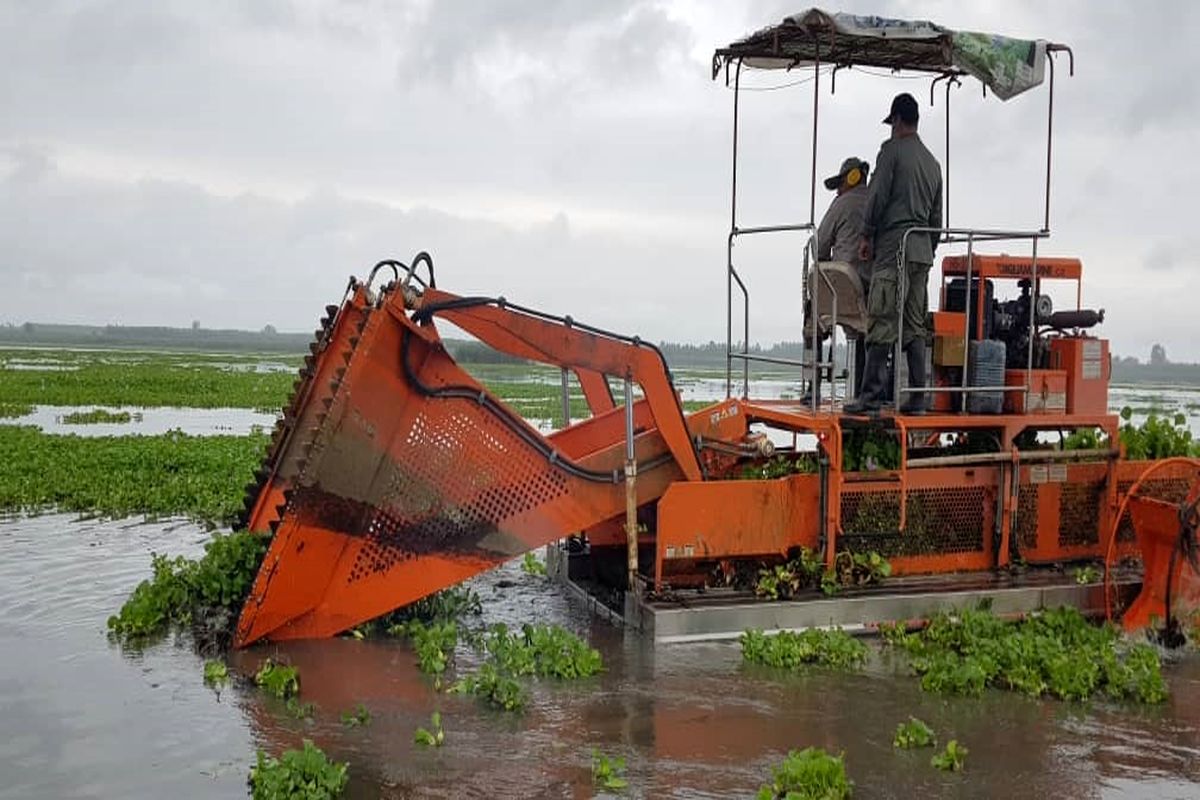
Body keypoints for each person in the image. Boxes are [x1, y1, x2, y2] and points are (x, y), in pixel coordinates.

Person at [845, 92, 943, 415]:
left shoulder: (891, 153)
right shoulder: (933, 163)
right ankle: (917, 397)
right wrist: (927, 249)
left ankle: (870, 397)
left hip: (894, 247)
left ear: (898, 120)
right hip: (922, 251)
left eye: (892, 123)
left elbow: (877, 196)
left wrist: (866, 234)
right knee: (914, 323)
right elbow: (937, 220)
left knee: (882, 317)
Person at [815, 157, 872, 396]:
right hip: (869, 290)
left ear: (851, 178)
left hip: (842, 288)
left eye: (840, 183)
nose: (838, 189)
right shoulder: (878, 204)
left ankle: (813, 388)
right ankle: (862, 391)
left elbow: (819, 246)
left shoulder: (840, 204)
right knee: (866, 332)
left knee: (813, 318)